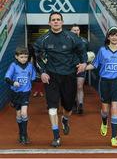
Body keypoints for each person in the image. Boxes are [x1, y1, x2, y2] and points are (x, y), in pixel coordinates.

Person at [33, 12, 87, 147]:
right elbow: (38, 58)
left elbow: (82, 52)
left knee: (68, 107)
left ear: (62, 22)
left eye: (58, 20)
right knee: (52, 107)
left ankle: (65, 119)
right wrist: (42, 72)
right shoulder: (43, 39)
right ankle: (56, 136)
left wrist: (84, 63)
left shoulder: (72, 37)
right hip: (51, 77)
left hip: (69, 76)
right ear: (49, 23)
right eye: (53, 20)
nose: (56, 22)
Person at [77, 26, 117, 147]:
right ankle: (104, 121)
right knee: (105, 110)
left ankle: (114, 137)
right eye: (112, 35)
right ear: (108, 37)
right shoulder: (102, 50)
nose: (114, 37)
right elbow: (95, 65)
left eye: (116, 35)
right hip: (104, 82)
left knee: (115, 109)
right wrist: (83, 67)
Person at [5, 46, 36, 144]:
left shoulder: (30, 66)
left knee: (24, 113)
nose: (24, 59)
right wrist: (13, 82)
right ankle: (20, 134)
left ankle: (24, 135)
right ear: (16, 57)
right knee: (18, 115)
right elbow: (6, 78)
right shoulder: (13, 65)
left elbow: (33, 77)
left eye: (26, 57)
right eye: (22, 57)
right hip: (15, 93)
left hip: (25, 93)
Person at [70, 24, 90, 114]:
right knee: (72, 87)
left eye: (77, 30)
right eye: (74, 30)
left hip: (81, 67)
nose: (76, 31)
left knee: (79, 86)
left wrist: (85, 64)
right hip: (69, 68)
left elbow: (89, 54)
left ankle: (80, 104)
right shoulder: (66, 41)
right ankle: (73, 103)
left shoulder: (85, 41)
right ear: (71, 31)